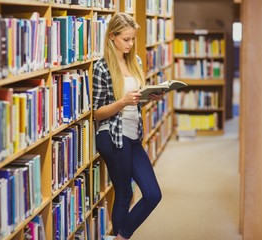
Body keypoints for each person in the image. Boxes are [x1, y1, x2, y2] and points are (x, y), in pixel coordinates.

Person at [93, 12, 163, 240]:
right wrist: (123, 101)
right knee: (124, 194)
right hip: (112, 136)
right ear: (112, 36)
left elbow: (135, 100)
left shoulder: (136, 61)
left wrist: (148, 97)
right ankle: (122, 237)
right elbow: (97, 113)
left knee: (153, 194)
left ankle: (120, 236)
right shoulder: (102, 67)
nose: (131, 44)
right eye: (126, 39)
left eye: (133, 39)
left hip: (133, 135)